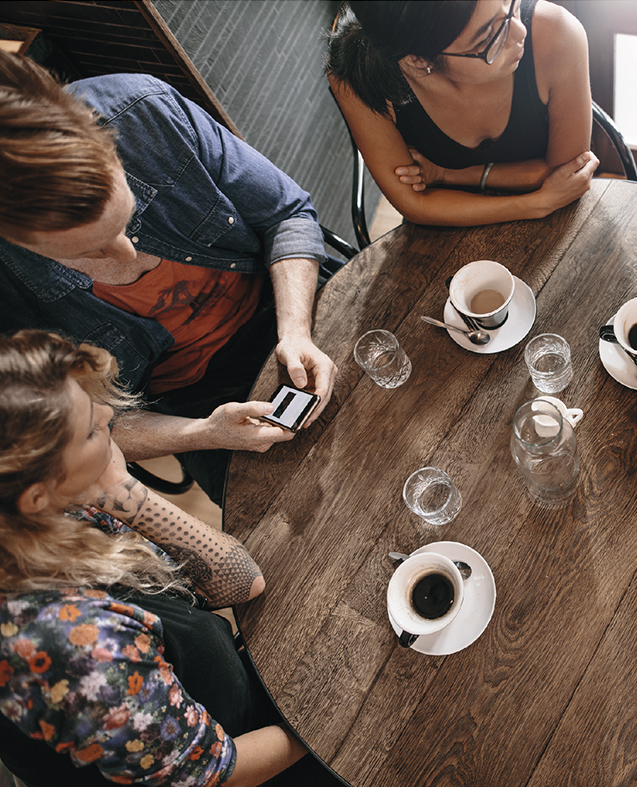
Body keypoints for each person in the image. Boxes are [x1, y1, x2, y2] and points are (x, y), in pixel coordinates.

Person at [0, 52, 339, 506]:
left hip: (286, 302)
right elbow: (83, 427)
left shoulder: (142, 110)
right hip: (194, 397)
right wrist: (205, 433)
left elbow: (286, 215)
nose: (128, 252)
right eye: (89, 249)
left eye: (127, 219)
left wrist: (295, 329)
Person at [0, 330, 322, 786]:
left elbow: (240, 581)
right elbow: (216, 772)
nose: (110, 416)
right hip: (232, 752)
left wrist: (115, 487)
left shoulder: (51, 508)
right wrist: (315, 727)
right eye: (92, 429)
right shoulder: (79, 648)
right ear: (36, 495)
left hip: (213, 696)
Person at [326, 0, 599, 228]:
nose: (519, 32)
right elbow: (415, 205)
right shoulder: (355, 75)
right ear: (418, 60)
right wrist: (536, 203)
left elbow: (569, 175)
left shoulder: (556, 32)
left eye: (508, 3)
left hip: (559, 220)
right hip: (445, 233)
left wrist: (448, 176)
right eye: (488, 38)